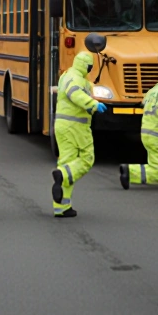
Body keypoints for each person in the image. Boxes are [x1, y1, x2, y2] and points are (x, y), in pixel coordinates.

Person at [50, 52, 105, 218]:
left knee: (67, 162)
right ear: (87, 66)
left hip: (61, 125)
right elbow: (75, 94)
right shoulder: (77, 79)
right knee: (87, 159)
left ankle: (61, 207)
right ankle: (63, 175)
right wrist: (93, 104)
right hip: (76, 126)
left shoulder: (66, 75)